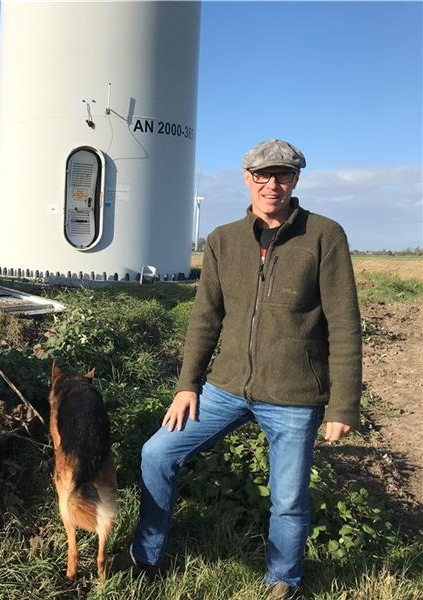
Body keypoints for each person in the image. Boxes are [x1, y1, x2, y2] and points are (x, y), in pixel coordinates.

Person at [115, 139, 362, 599]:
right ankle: (144, 558)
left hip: (294, 396)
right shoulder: (223, 240)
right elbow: (205, 318)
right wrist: (188, 385)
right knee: (157, 453)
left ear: (296, 180)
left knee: (288, 499)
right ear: (247, 178)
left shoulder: (325, 235)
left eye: (283, 175)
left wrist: (342, 405)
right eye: (263, 175)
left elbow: (345, 324)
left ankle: (282, 581)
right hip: (224, 388)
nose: (273, 184)